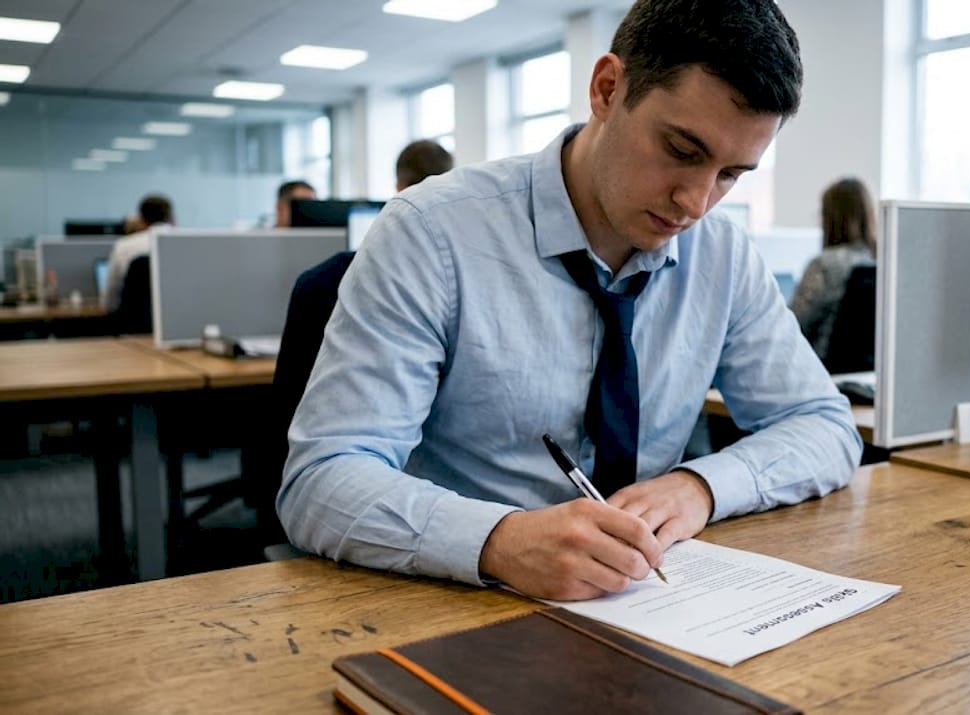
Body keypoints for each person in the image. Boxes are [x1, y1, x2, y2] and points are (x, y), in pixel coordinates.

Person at [278, 0, 861, 601]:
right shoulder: (431, 233)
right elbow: (321, 481)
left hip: (645, 601)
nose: (696, 202)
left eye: (730, 174)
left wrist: (700, 487)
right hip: (455, 602)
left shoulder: (723, 256)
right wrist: (498, 539)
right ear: (608, 90)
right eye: (682, 151)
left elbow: (823, 426)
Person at [253, 139, 457, 535]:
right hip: (402, 498)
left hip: (380, 499)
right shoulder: (446, 280)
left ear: (397, 188)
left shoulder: (323, 279)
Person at [789, 177, 878, 363]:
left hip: (823, 372)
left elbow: (791, 327)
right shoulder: (880, 260)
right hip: (868, 374)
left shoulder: (824, 265)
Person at [100, 194, 173, 311]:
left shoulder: (124, 246)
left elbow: (109, 300)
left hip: (134, 325)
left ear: (141, 219)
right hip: (176, 321)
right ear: (171, 217)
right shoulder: (185, 246)